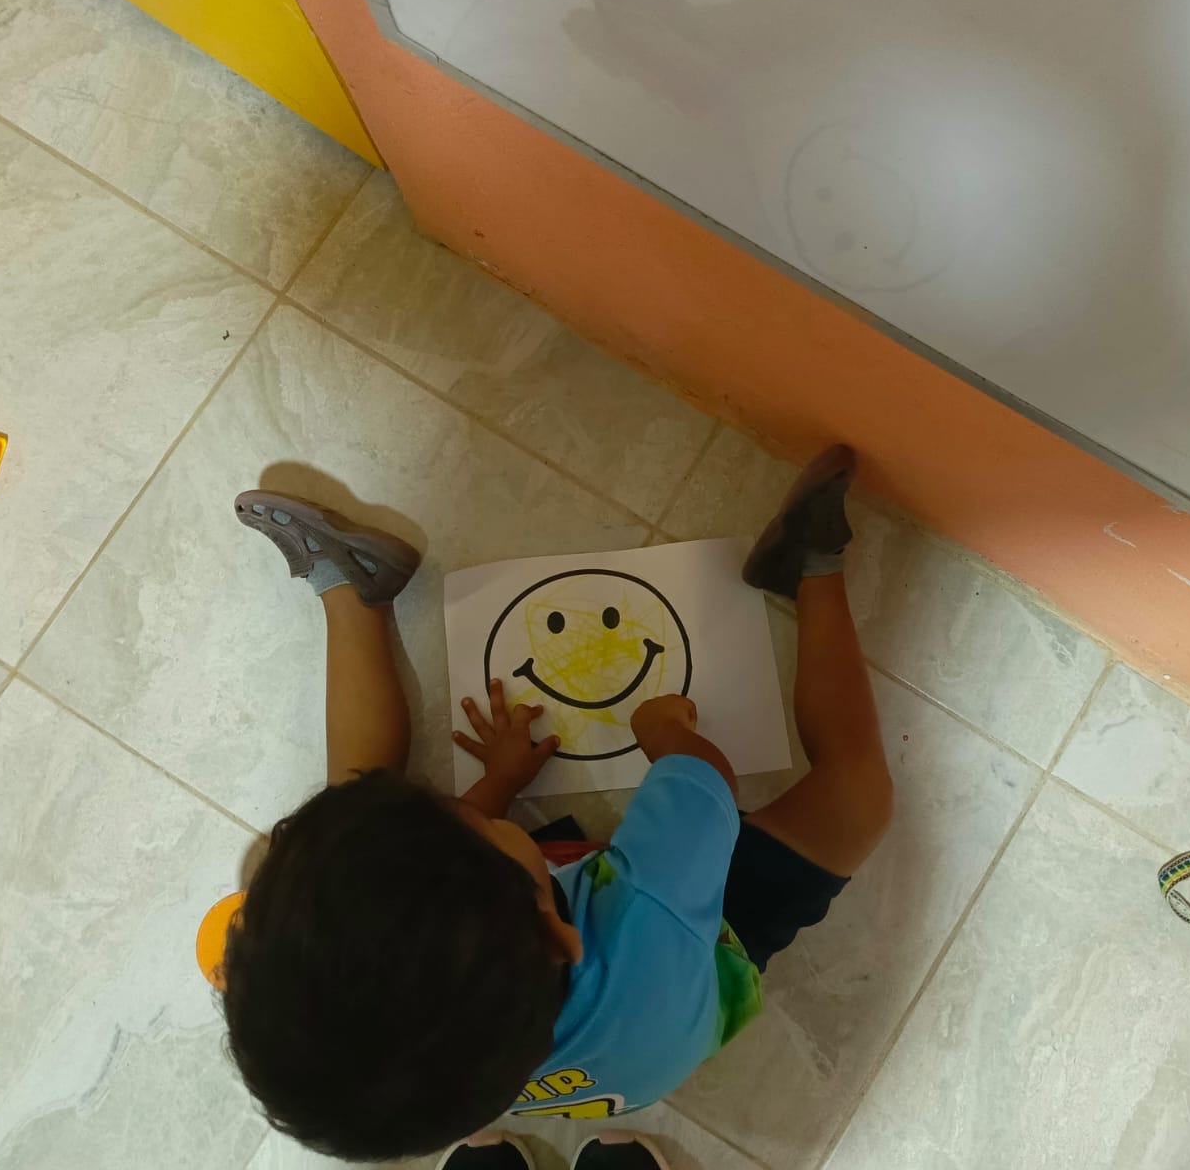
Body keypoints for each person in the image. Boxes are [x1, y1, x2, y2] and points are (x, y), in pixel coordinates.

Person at [219, 446, 892, 1167]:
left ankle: (354, 592)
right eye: (470, 816)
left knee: (358, 832)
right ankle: (811, 568)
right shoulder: (655, 917)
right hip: (700, 953)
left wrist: (499, 784)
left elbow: (435, 876)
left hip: (566, 1003)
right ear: (556, 931)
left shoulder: (439, 1072)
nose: (463, 802)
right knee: (859, 795)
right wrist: (664, 732)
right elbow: (704, 779)